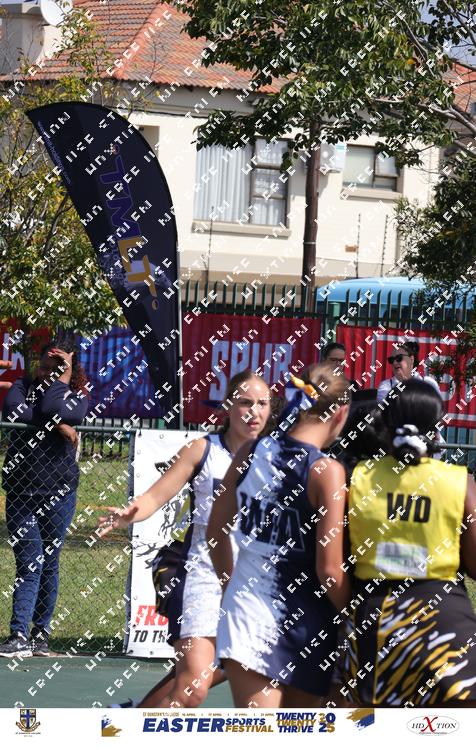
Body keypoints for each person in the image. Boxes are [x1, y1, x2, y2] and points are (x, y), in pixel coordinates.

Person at [99, 369, 271, 708]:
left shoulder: (275, 456)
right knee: (193, 687)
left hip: (254, 582)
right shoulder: (203, 450)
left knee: (230, 667)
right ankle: (134, 725)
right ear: (228, 406)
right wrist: (129, 513)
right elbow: (154, 496)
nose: (254, 411)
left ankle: (134, 717)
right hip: (204, 578)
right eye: (245, 402)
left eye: (262, 403)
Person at [207, 364, 351, 708]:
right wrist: (357, 614)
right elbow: (330, 571)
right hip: (309, 621)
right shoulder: (327, 472)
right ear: (341, 414)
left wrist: (231, 586)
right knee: (295, 731)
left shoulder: (251, 451)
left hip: (249, 613)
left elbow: (216, 531)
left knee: (258, 730)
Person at [341, 378, 476, 707]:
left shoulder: (356, 478)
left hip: (375, 620)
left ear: (385, 423)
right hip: (443, 618)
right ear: (436, 426)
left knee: (369, 724)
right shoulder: (459, 481)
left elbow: (338, 561)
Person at [0, 342, 89, 657]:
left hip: (59, 493)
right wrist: (58, 425)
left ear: (68, 370)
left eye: (57, 368)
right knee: (29, 562)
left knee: (49, 563)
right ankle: (18, 635)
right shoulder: (21, 387)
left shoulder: (76, 393)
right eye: (44, 367)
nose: (47, 373)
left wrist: (61, 384)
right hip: (21, 492)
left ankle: (40, 634)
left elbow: (55, 408)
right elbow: (15, 412)